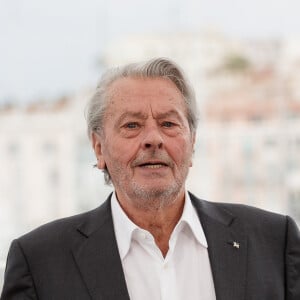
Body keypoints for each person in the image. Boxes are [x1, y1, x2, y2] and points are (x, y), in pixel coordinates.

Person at [1, 58, 300, 300]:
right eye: (131, 125)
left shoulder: (273, 241)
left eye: (169, 123)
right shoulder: (39, 262)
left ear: (192, 141)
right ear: (98, 147)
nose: (153, 139)